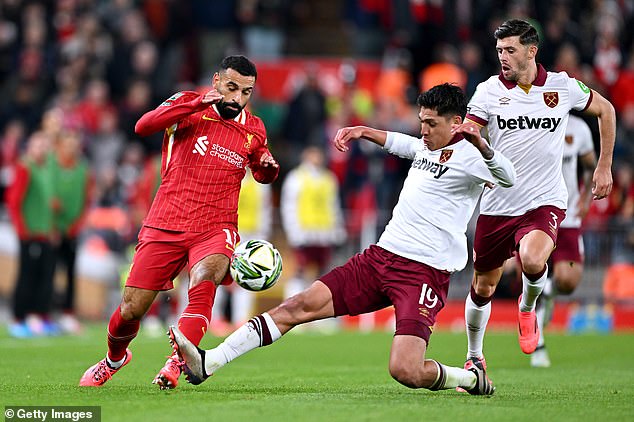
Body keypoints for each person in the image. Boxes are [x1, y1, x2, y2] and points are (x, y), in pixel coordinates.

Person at [168, 83, 516, 395]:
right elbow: (405, 144)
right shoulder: (427, 145)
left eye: (431, 123)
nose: (422, 130)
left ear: (456, 123)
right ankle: (209, 361)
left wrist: (483, 146)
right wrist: (364, 131)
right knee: (297, 305)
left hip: (423, 273)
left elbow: (509, 177)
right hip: (381, 258)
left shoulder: (473, 157)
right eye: (421, 121)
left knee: (405, 370)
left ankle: (469, 378)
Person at [79, 55, 280, 389]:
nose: (237, 99)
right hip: (167, 219)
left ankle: (178, 362)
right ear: (217, 80)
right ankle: (114, 359)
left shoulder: (254, 128)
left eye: (246, 92)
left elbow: (260, 169)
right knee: (131, 308)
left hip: (217, 226)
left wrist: (268, 166)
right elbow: (143, 126)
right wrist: (197, 102)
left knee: (205, 280)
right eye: (231, 88)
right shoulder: (188, 103)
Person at [456, 19, 615, 378]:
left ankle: (528, 310)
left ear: (532, 51)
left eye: (510, 50)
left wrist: (604, 167)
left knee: (532, 257)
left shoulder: (561, 86)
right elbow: (472, 129)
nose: (503, 57)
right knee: (483, 287)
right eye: (499, 51)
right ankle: (474, 356)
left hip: (545, 201)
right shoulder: (487, 90)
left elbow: (607, 110)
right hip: (498, 205)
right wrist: (467, 137)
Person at [530, 115, 597, 368]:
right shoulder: (531, 121)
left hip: (567, 215)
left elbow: (590, 165)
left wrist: (586, 199)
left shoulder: (578, 129)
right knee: (529, 272)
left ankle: (548, 292)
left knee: (568, 281)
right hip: (535, 211)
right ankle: (538, 344)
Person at [6, 131, 58, 337]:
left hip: (44, 233)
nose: (42, 149)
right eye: (38, 145)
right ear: (30, 147)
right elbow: (13, 201)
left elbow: (48, 204)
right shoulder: (24, 167)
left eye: (44, 145)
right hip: (30, 233)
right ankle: (19, 318)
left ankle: (38, 316)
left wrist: (51, 227)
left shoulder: (44, 168)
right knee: (27, 277)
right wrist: (22, 230)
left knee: (44, 277)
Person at [280, 145, 346, 300]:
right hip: (304, 231)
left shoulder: (328, 178)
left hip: (323, 233)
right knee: (299, 270)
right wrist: (293, 231)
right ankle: (292, 305)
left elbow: (333, 206)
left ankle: (319, 309)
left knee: (323, 272)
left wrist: (337, 230)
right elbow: (289, 205)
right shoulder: (296, 177)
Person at [51, 128, 94, 335]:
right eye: (68, 143)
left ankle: (68, 314)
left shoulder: (82, 169)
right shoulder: (51, 166)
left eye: (75, 143)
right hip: (51, 229)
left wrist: (75, 225)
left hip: (72, 230)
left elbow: (86, 200)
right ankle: (46, 313)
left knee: (70, 273)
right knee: (47, 272)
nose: (72, 147)